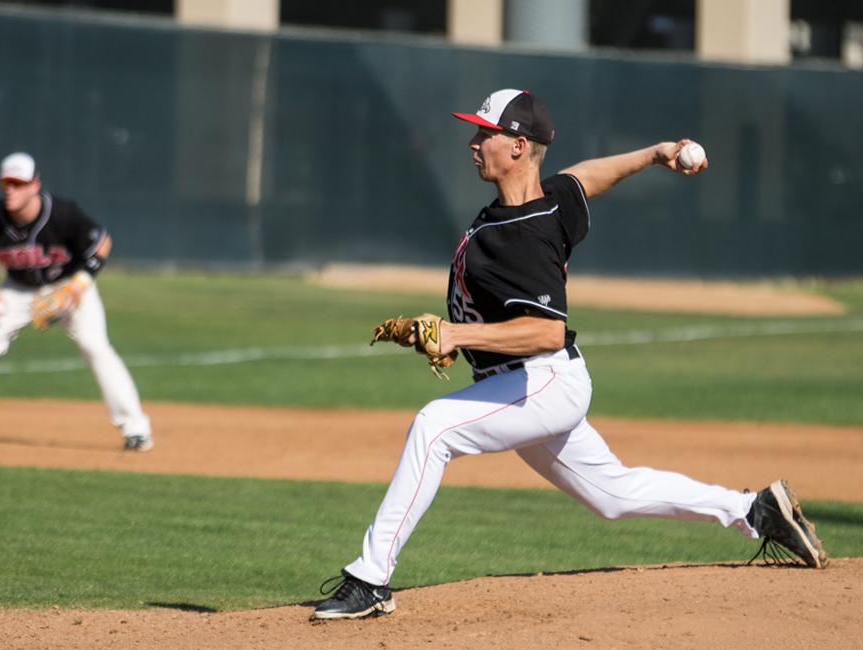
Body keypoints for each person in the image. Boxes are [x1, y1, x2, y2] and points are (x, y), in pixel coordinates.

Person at [311, 89, 826, 621]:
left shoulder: (524, 234)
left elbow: (546, 333)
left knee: (433, 427)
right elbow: (586, 178)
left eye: (484, 133)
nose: (473, 142)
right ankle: (754, 509)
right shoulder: (549, 201)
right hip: (527, 385)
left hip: (542, 381)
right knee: (613, 495)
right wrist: (652, 154)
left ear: (516, 146)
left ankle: (371, 579)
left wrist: (457, 336)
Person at [0, 152, 153, 452]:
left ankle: (136, 429)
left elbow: (102, 243)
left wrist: (78, 285)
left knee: (96, 347)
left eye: (18, 183)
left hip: (69, 286)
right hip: (18, 289)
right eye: (6, 183)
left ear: (34, 185)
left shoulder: (63, 213)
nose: (10, 189)